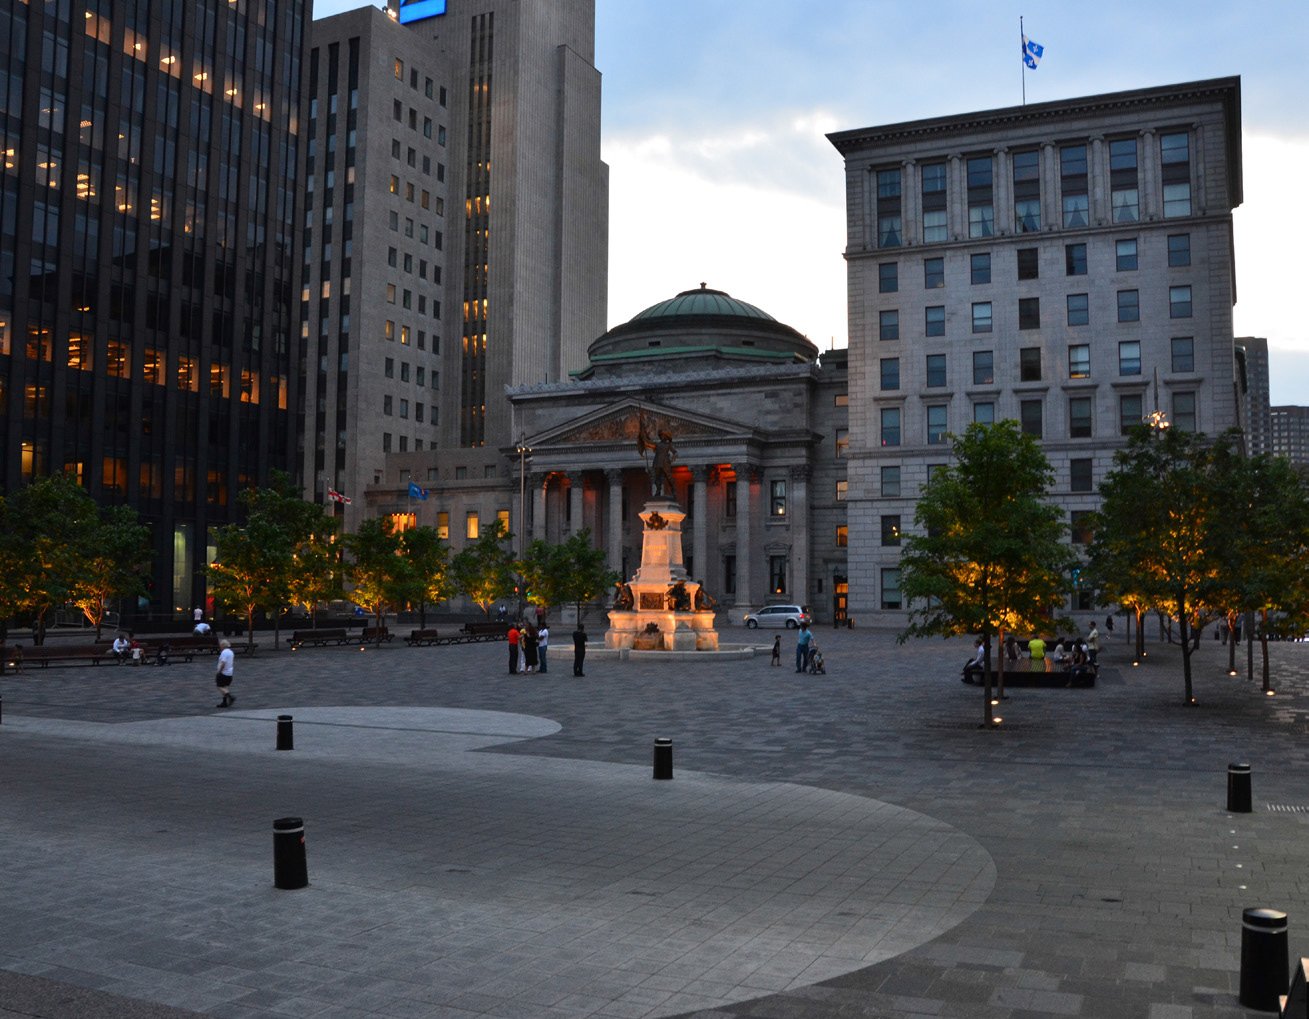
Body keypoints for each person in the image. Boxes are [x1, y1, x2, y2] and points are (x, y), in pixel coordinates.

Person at [215, 639, 236, 708]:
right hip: (230, 673)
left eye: (220, 645)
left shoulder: (224, 652)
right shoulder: (231, 652)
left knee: (219, 686)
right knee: (225, 687)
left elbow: (223, 662)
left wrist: (219, 671)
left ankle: (230, 696)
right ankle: (224, 702)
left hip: (223, 672)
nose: (220, 647)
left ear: (223, 645)